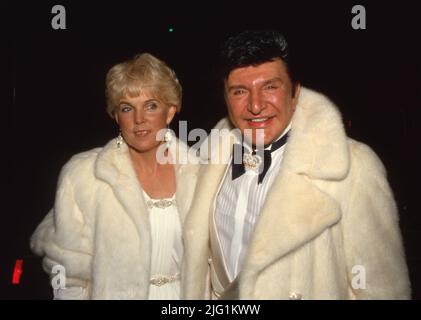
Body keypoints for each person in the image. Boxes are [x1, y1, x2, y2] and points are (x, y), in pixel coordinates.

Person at [182, 30, 411, 299]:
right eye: (240, 91)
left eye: (270, 87)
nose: (255, 106)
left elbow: (383, 289)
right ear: (225, 97)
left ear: (295, 93)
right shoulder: (208, 162)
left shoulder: (353, 167)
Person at [30, 53, 199, 299]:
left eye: (151, 105)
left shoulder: (199, 172)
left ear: (170, 112)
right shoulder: (85, 176)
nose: (139, 119)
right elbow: (66, 275)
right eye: (127, 108)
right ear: (116, 116)